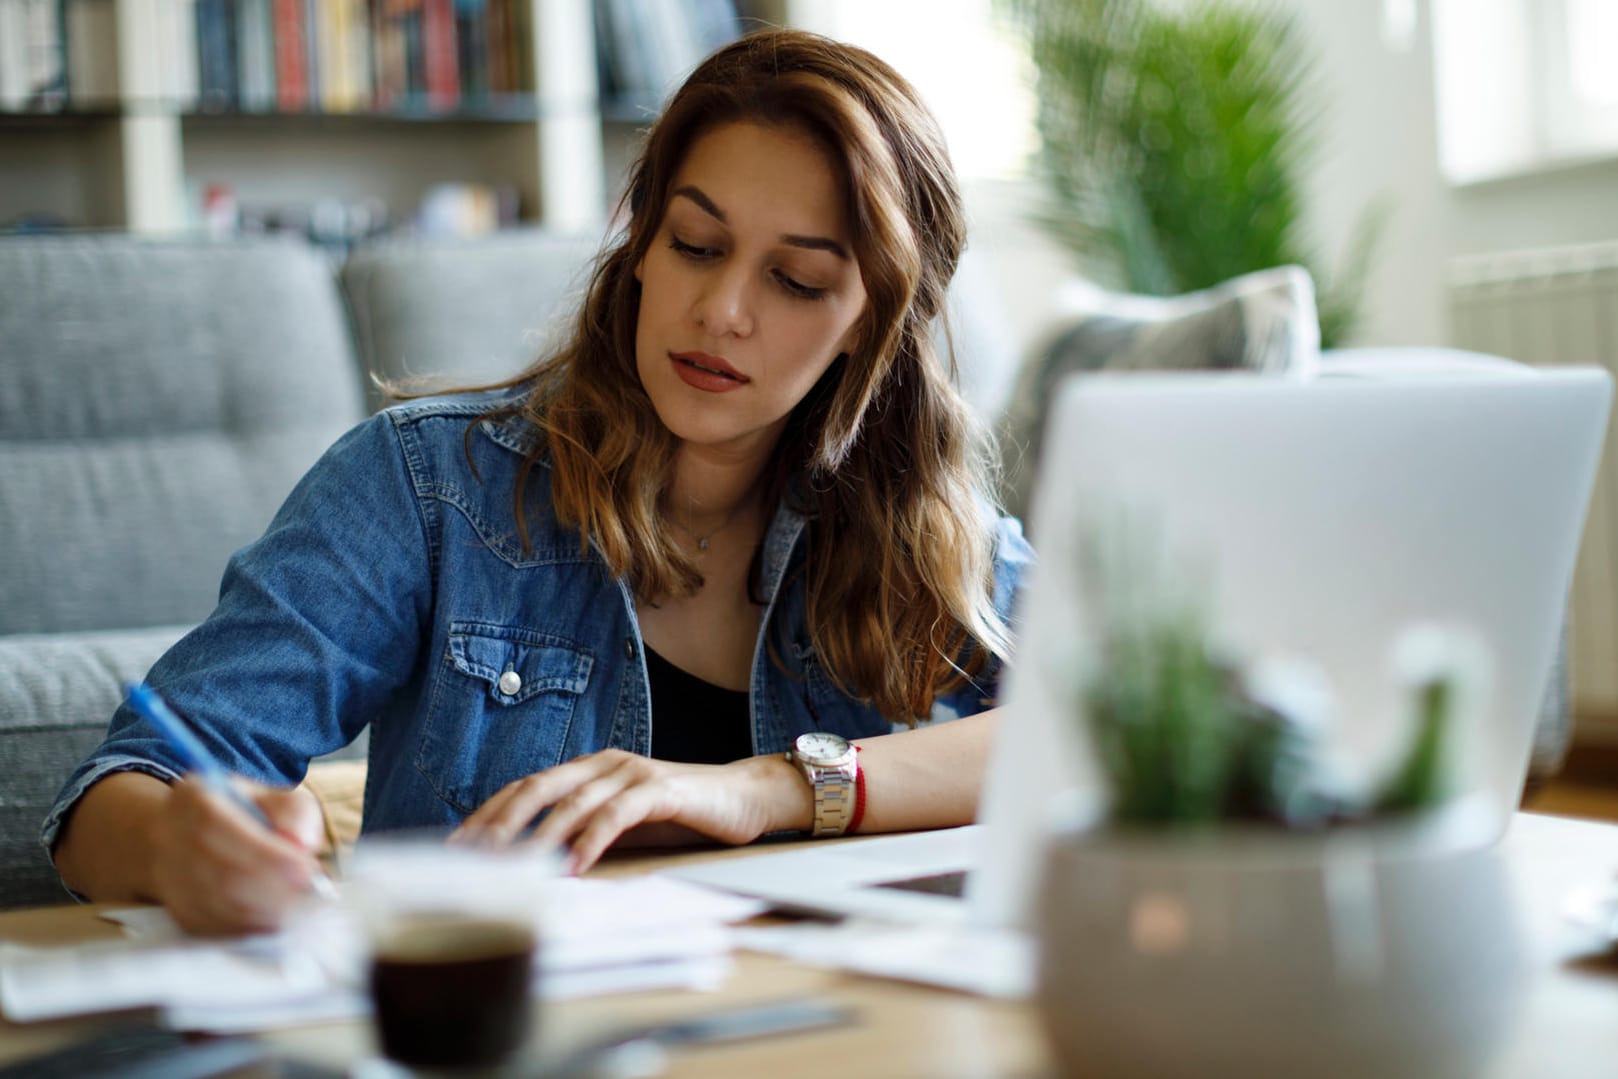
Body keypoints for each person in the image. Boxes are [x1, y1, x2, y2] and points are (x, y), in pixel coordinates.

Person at [46, 28, 1033, 936]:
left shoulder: (922, 525)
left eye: (797, 280)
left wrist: (770, 788)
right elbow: (110, 799)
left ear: (873, 321)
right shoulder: (426, 486)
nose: (721, 309)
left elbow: (1108, 734)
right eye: (695, 245)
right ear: (640, 244)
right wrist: (180, 845)